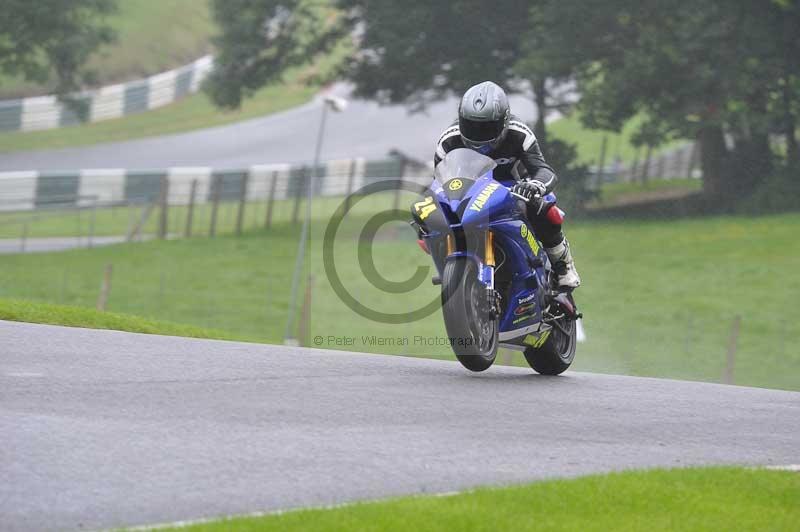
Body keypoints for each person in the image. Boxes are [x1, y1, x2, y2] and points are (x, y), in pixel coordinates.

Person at [433, 80, 580, 289]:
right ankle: (453, 268)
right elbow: (439, 181)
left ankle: (563, 265)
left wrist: (535, 186)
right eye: (471, 126)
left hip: (514, 189)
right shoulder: (448, 141)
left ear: (504, 120)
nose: (479, 134)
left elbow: (543, 170)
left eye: (487, 127)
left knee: (545, 206)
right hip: (470, 193)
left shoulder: (519, 134)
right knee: (434, 222)